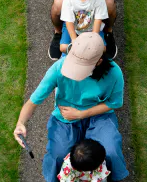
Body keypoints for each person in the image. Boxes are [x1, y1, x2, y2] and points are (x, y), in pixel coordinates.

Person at [14, 32, 129, 182]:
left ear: (99, 61)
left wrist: (82, 114)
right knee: (58, 155)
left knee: (111, 151)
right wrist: (20, 123)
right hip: (65, 118)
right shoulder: (58, 68)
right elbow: (32, 102)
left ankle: (110, 177)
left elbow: (114, 103)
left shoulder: (114, 73)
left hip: (99, 116)